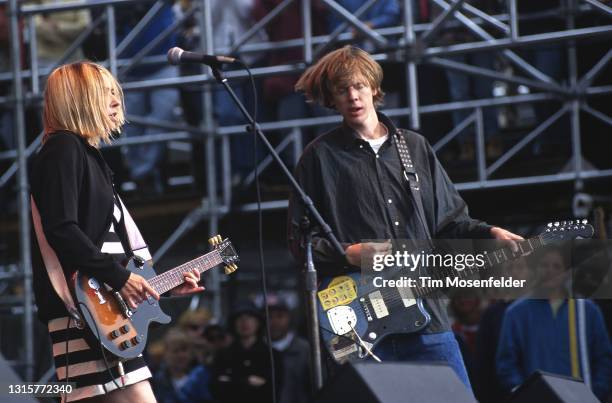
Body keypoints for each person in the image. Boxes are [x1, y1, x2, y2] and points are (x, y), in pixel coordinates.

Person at [287, 45, 523, 389]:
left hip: (426, 315)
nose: (353, 96)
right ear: (332, 99)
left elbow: (450, 222)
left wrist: (491, 232)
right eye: (342, 90)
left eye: (359, 86)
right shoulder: (318, 157)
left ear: (374, 89)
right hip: (357, 323)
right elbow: (299, 243)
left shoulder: (414, 147)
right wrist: (348, 253)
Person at [29, 61, 205, 402]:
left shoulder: (84, 153)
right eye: (105, 92)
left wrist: (157, 287)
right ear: (78, 98)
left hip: (103, 311)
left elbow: (106, 244)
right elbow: (62, 230)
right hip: (83, 312)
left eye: (115, 92)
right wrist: (121, 279)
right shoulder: (62, 149)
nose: (116, 100)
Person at [496, 246, 612, 400]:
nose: (549, 271)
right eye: (543, 265)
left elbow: (604, 359)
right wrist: (527, 395)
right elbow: (507, 364)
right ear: (535, 269)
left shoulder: (586, 310)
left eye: (557, 266)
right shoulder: (516, 313)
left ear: (567, 272)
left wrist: (594, 393)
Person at [209, 302, 282, 403]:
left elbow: (274, 389)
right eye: (240, 318)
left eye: (249, 317)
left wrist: (232, 381)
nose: (245, 322)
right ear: (233, 323)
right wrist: (247, 381)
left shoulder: (272, 355)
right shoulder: (223, 355)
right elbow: (217, 388)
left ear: (258, 322)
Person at [267, 297, 311, 403]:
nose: (274, 322)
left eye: (280, 316)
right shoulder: (260, 350)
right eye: (270, 317)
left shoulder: (304, 349)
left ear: (289, 318)